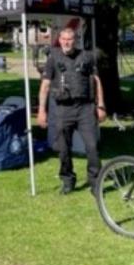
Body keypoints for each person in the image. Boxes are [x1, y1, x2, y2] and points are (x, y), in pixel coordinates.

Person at [36, 26, 106, 195]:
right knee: (64, 149)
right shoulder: (53, 57)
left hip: (85, 108)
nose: (67, 42)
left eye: (70, 39)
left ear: (75, 40)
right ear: (59, 40)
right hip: (62, 109)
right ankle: (67, 179)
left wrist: (101, 105)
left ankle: (95, 182)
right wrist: (41, 111)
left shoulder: (87, 57)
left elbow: (96, 81)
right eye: (64, 39)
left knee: (92, 146)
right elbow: (45, 85)